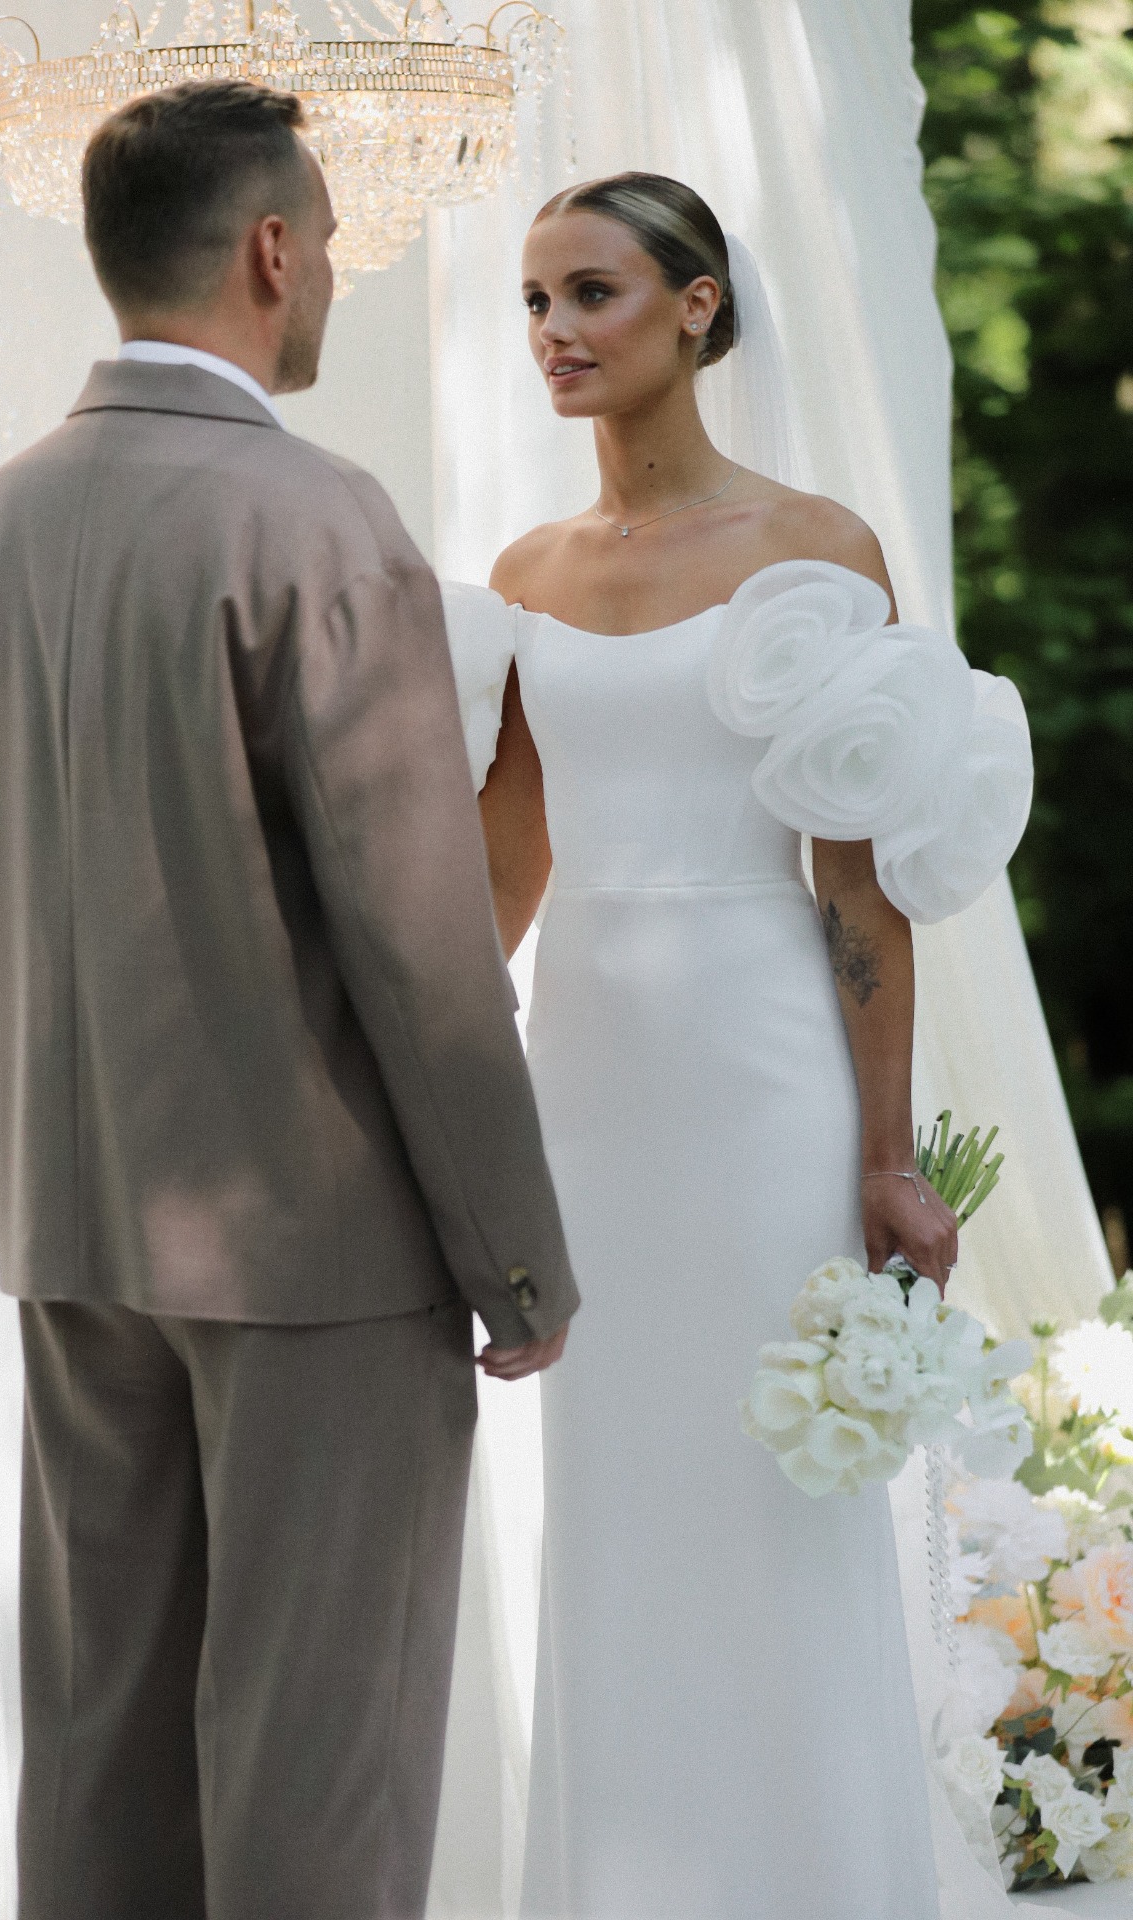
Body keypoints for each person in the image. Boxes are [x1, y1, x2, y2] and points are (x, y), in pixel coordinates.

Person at [0, 81, 578, 1920]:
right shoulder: (311, 515)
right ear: (273, 250)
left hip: (72, 1222)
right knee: (320, 1762)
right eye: (336, 243)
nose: (339, 277)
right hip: (314, 1244)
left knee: (102, 1749)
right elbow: (417, 937)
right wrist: (518, 1260)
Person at [441, 173, 1033, 1916]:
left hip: (766, 1071)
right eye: (534, 300)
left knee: (778, 1490)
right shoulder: (527, 574)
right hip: (589, 1083)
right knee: (617, 1496)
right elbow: (506, 868)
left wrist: (886, 1154)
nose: (554, 331)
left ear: (697, 306)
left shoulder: (815, 551)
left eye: (593, 292)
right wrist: (424, 1082)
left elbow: (858, 887)